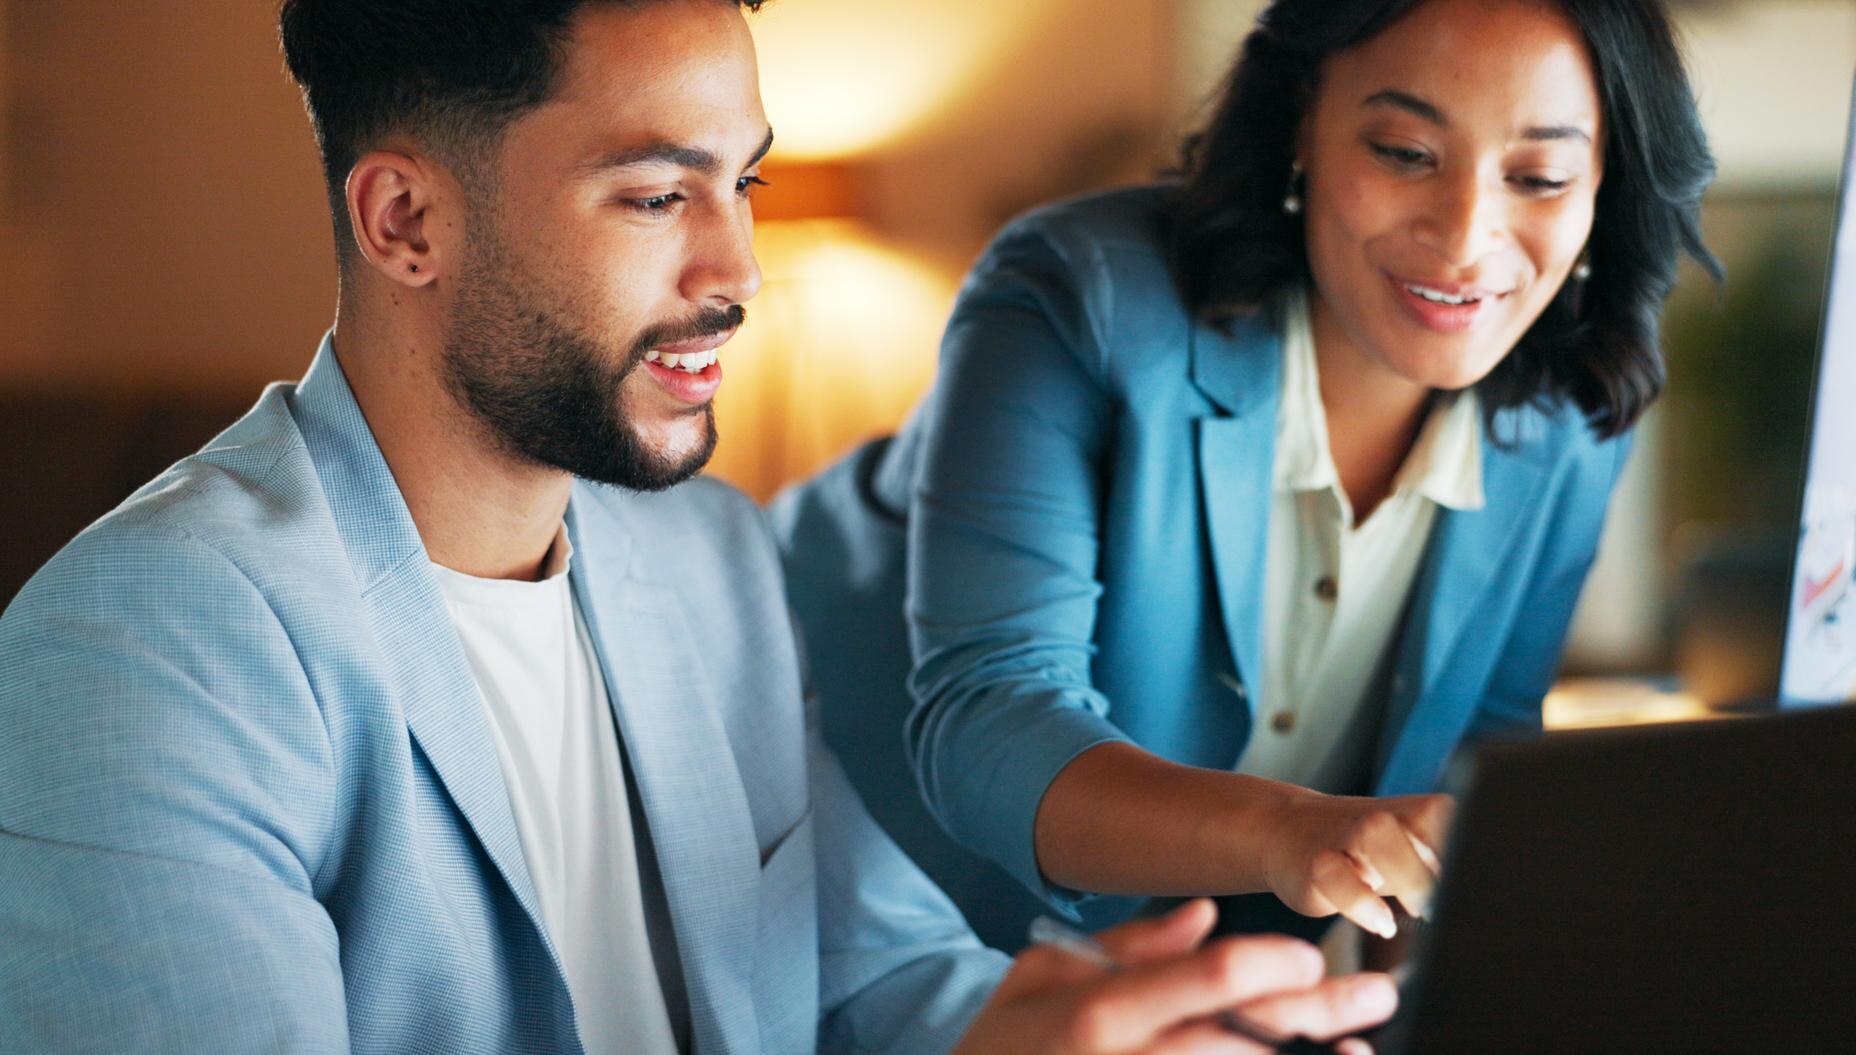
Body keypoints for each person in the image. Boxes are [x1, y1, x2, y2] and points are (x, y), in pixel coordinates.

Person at [0, 0, 1400, 1051]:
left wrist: (1072, 1026)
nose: (738, 269)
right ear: (407, 220)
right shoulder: (139, 652)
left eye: (748, 187)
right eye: (660, 195)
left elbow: (863, 968)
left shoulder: (714, 557)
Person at [773, 0, 1719, 949]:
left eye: (1540, 176)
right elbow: (991, 718)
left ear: (1606, 185)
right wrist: (1293, 834)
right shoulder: (1076, 297)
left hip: (1192, 981)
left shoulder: (1573, 421)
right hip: (840, 899)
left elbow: (1474, 762)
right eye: (1402, 151)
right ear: (1302, 119)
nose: (1468, 235)